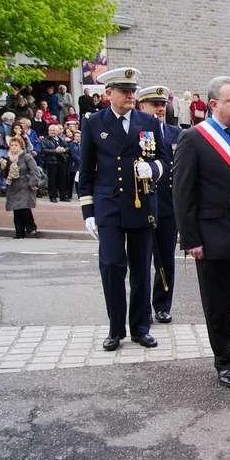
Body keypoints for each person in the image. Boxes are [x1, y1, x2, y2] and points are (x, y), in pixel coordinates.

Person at [173, 76, 230, 389]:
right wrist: (191, 238)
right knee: (217, 305)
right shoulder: (194, 138)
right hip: (212, 236)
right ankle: (224, 360)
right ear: (214, 105)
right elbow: (183, 193)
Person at [79, 67, 166, 352]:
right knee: (112, 267)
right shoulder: (94, 123)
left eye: (132, 91)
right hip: (109, 206)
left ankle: (141, 327)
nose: (131, 95)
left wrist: (152, 168)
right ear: (108, 94)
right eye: (124, 91)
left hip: (141, 204)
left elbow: (165, 160)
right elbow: (86, 171)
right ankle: (115, 329)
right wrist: (88, 212)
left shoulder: (148, 121)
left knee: (141, 269)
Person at [136, 85, 182, 324]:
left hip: (169, 206)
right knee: (142, 261)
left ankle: (162, 305)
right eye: (155, 104)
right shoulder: (137, 133)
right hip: (144, 203)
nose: (160, 109)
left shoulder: (177, 134)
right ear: (142, 106)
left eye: (163, 104)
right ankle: (141, 309)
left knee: (166, 259)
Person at [0, 136, 39, 238]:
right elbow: (5, 174)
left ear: (21, 146)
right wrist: (3, 167)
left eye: (16, 145)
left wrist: (32, 183)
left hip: (25, 185)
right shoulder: (7, 158)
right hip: (13, 186)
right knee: (16, 210)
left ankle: (31, 228)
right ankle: (19, 233)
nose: (13, 147)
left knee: (24, 208)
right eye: (12, 145)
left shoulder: (26, 157)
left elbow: (34, 171)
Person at [40, 123, 69, 202]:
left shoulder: (60, 139)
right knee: (52, 180)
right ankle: (52, 196)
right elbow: (43, 150)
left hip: (62, 161)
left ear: (57, 131)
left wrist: (63, 150)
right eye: (50, 130)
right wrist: (55, 151)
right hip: (51, 162)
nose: (52, 132)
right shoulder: (45, 140)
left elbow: (67, 147)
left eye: (54, 130)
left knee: (62, 180)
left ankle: (63, 196)